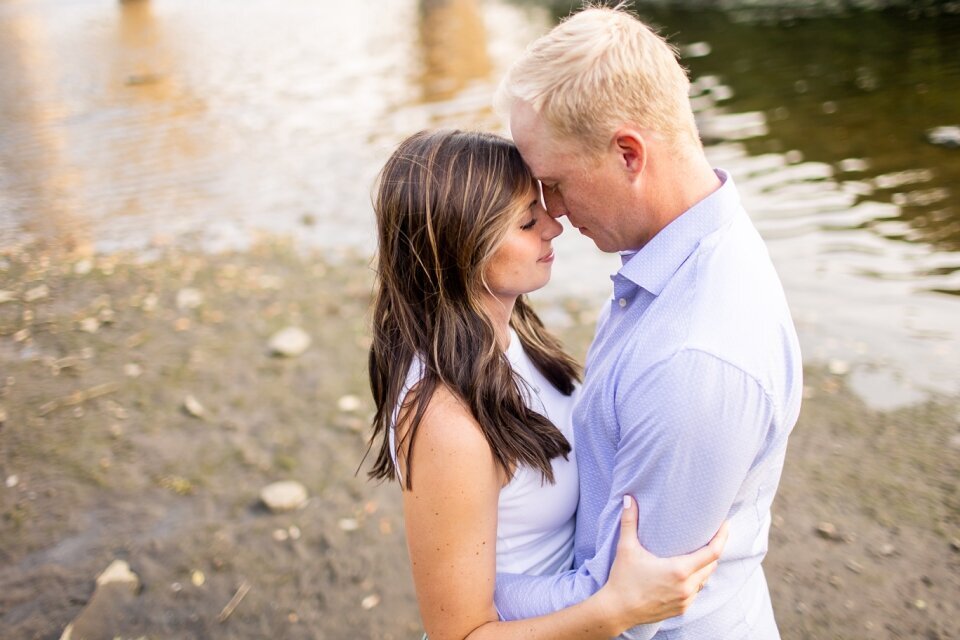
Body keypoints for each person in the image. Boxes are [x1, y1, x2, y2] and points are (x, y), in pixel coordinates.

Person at [491, 6, 803, 639]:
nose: (550, 211)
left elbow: (625, 610)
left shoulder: (693, 360)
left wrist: (460, 596)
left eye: (554, 181)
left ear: (629, 154)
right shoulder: (687, 248)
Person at [366, 129, 728, 640]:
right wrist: (619, 610)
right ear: (462, 246)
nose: (554, 226)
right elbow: (460, 634)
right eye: (526, 220)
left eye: (544, 205)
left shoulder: (513, 334)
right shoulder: (448, 422)